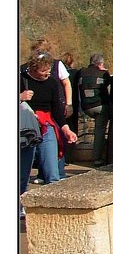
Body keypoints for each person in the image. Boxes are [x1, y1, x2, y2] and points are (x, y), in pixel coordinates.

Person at [20, 53, 77, 184]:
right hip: (27, 128)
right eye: (43, 71)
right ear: (33, 70)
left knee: (53, 172)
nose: (47, 73)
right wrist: (20, 97)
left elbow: (56, 110)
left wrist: (66, 130)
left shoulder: (52, 82)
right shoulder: (21, 79)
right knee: (22, 173)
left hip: (46, 126)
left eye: (49, 70)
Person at [77, 54, 110, 165]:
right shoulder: (103, 73)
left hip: (85, 107)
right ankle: (97, 158)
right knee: (99, 131)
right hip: (100, 106)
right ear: (100, 64)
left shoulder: (81, 72)